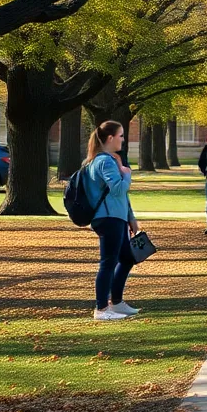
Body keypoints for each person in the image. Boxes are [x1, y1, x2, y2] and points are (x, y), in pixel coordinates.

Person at [85, 121, 141, 321]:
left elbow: (119, 196)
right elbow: (118, 189)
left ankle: (116, 302)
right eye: (121, 136)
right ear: (110, 138)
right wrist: (127, 175)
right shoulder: (103, 161)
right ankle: (101, 309)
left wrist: (131, 218)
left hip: (117, 217)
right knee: (108, 263)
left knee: (127, 258)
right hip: (108, 218)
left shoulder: (110, 160)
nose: (123, 140)